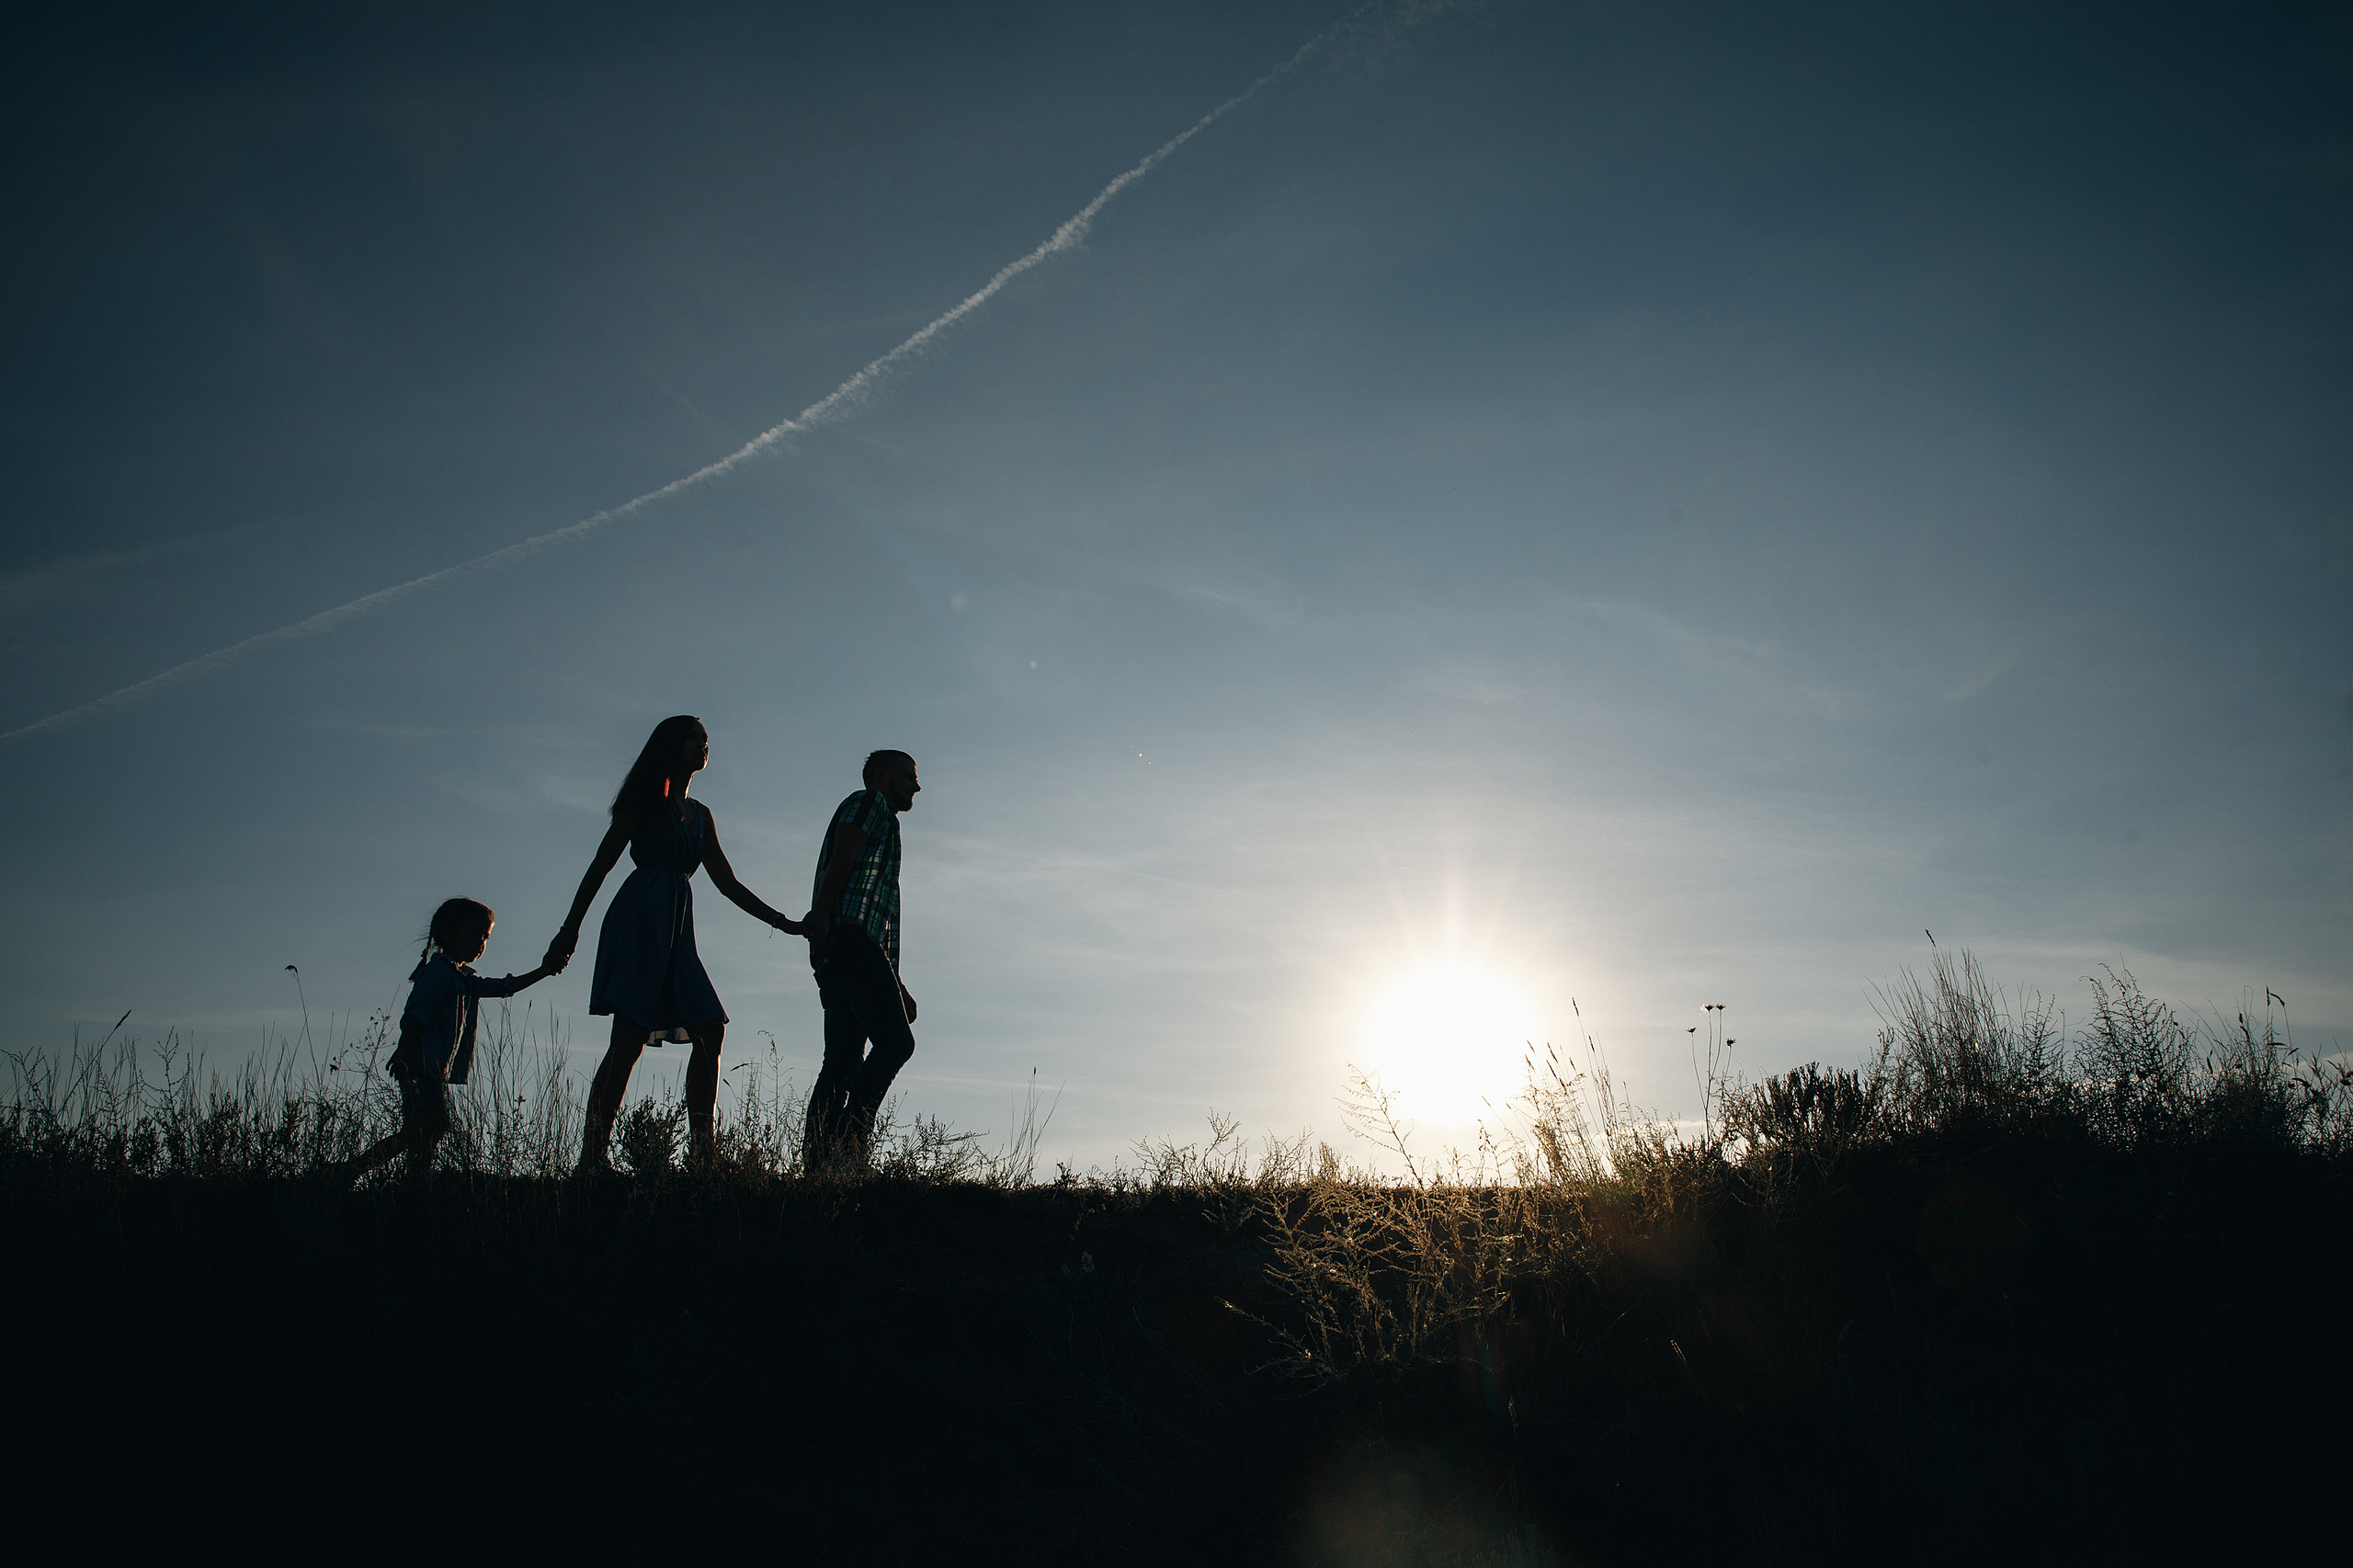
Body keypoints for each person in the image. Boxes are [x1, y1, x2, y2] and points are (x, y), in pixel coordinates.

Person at [549, 715, 804, 1174]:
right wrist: (570, 929)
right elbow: (601, 865)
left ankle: (701, 1153)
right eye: (694, 738)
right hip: (641, 915)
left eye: (706, 740)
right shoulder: (646, 800)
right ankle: (592, 1156)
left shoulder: (701, 816)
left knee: (710, 1027)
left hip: (678, 928)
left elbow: (727, 882)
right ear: (671, 745)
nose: (703, 746)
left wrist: (782, 922)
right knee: (627, 1039)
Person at [335, 897, 562, 1185]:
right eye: (474, 933)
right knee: (429, 1125)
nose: (481, 942)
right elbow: (417, 1014)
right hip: (420, 1066)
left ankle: (396, 1174)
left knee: (426, 1127)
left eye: (486, 936)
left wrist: (543, 971)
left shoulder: (464, 979)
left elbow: (505, 987)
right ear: (447, 933)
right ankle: (391, 1174)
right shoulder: (439, 973)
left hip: (433, 1070)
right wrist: (403, 1053)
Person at [802, 749, 922, 1168]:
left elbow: (880, 915)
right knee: (896, 1043)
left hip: (843, 946)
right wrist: (820, 913)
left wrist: (897, 981)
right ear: (882, 777)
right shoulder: (869, 802)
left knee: (842, 1059)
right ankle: (849, 1148)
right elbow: (845, 853)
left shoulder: (886, 822)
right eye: (909, 776)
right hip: (849, 941)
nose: (917, 786)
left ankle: (820, 1164)